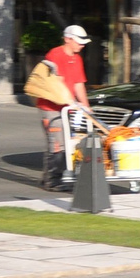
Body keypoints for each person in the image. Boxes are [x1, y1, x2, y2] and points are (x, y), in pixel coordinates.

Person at [36, 25, 93, 191]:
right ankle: (52, 181)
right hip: (51, 107)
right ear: (67, 39)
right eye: (79, 41)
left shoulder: (77, 59)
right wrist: (70, 101)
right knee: (57, 144)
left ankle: (49, 178)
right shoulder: (55, 55)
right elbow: (55, 82)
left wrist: (86, 107)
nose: (82, 45)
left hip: (67, 107)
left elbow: (79, 84)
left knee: (67, 143)